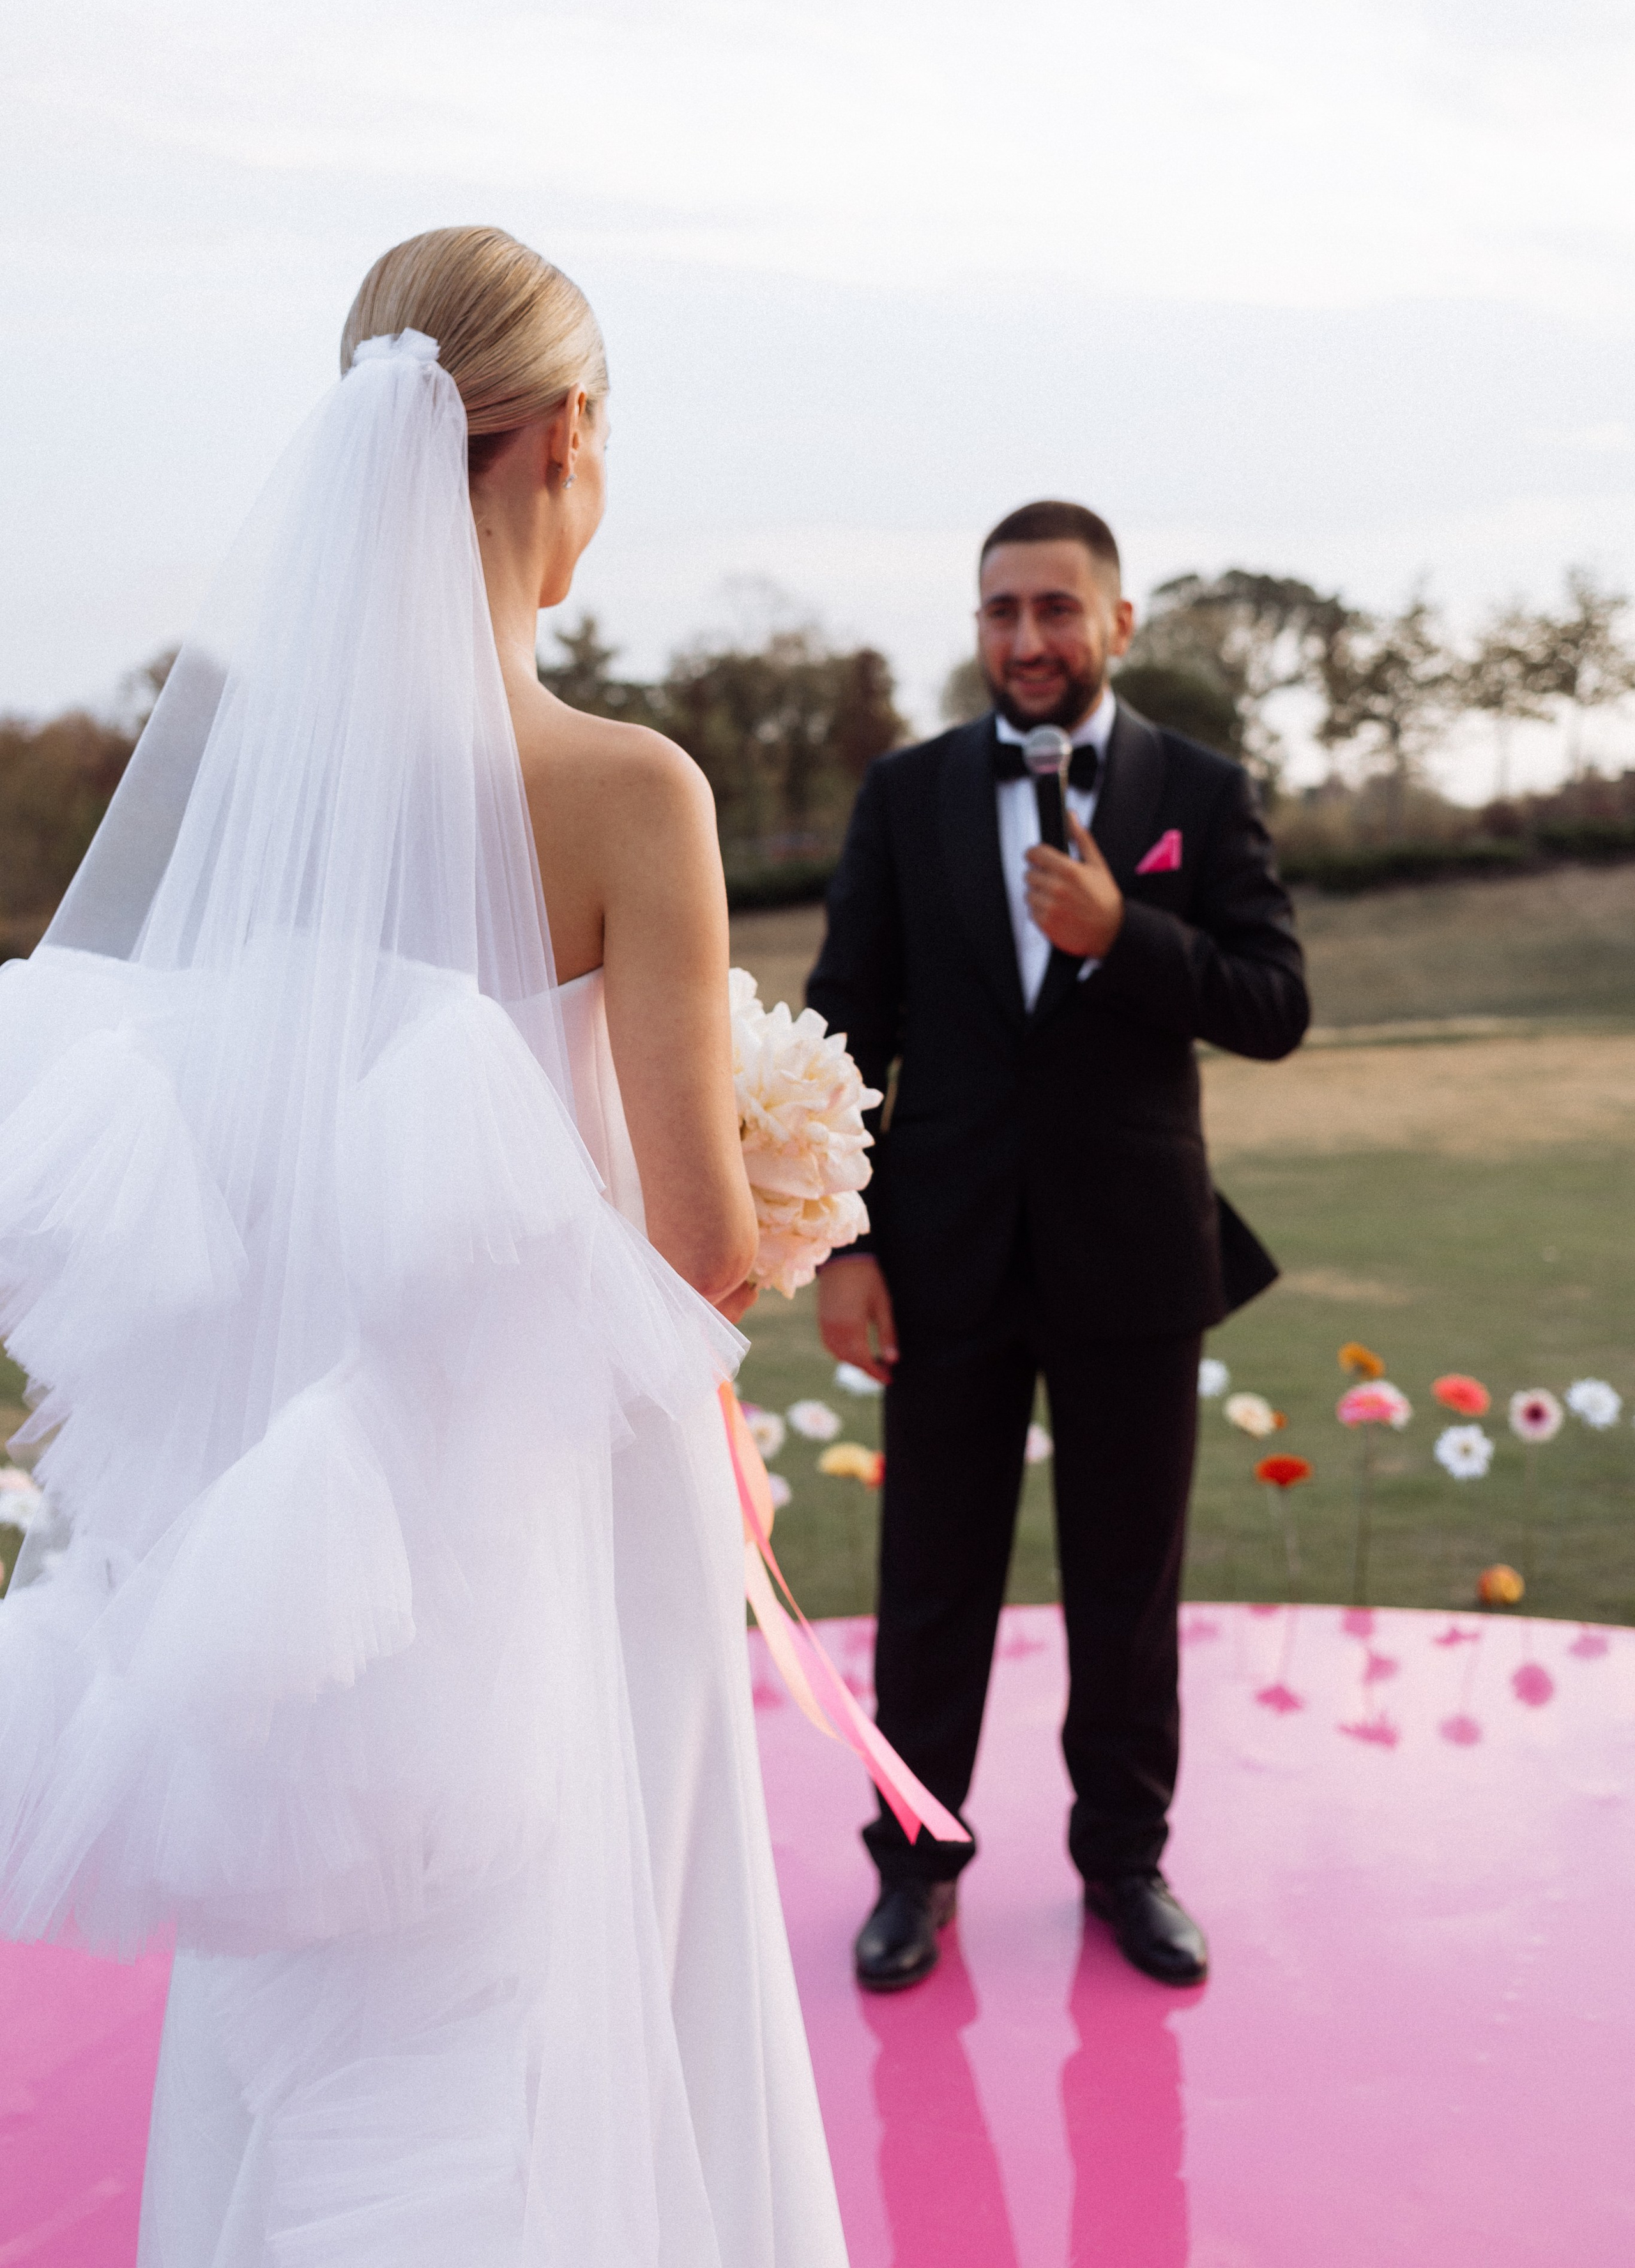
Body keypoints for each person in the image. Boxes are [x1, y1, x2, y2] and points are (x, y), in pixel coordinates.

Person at [0, 229, 849, 2264]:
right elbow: (701, 1250)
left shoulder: (276, 797)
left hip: (315, 1530)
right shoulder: (628, 793)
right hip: (562, 1506)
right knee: (585, 1959)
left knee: (339, 2002)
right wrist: (782, 1177)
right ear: (563, 438)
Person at [808, 499, 1309, 1994]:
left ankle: (1125, 1864)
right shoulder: (902, 798)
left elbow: (1273, 1003)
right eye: (999, 613)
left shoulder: (1198, 793)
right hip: (944, 1259)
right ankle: (913, 1864)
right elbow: (846, 1027)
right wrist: (844, 1243)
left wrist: (1122, 937)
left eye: (1053, 610)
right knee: (930, 1585)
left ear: (1115, 624)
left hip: (1134, 1261)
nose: (1025, 640)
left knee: (1124, 1583)